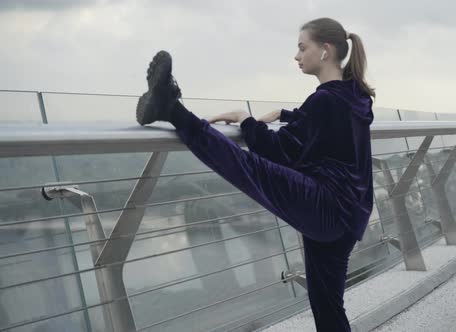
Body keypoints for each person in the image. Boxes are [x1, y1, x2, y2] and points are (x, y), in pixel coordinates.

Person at [136, 17, 375, 332]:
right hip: (350, 214)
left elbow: (277, 150)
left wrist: (244, 118)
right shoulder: (355, 95)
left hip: (326, 206)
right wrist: (288, 114)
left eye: (303, 48)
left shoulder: (325, 100)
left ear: (326, 51)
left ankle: (171, 108)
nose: (296, 56)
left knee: (244, 165)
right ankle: (169, 104)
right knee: (327, 305)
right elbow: (327, 125)